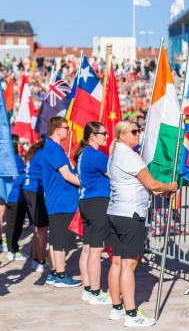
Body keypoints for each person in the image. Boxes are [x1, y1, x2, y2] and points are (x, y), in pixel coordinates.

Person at [107, 121, 177, 327]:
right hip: (130, 214)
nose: (138, 135)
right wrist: (170, 185)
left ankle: (117, 307)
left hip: (117, 211)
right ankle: (131, 313)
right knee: (129, 263)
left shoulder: (115, 153)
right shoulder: (128, 155)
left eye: (138, 130)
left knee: (118, 262)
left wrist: (161, 190)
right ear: (121, 135)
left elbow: (148, 187)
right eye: (134, 131)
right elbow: (152, 183)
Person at [75, 122, 116, 307]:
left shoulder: (84, 154)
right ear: (92, 136)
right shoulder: (97, 155)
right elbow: (114, 173)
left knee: (89, 248)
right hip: (97, 202)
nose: (106, 136)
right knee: (96, 250)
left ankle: (88, 288)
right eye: (103, 134)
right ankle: (95, 291)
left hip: (86, 202)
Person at [41, 117, 81, 287]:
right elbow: (67, 175)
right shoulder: (54, 148)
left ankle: (54, 272)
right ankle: (61, 274)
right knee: (60, 240)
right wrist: (87, 183)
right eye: (66, 127)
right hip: (61, 201)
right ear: (57, 130)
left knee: (56, 239)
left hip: (58, 200)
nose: (68, 130)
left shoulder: (51, 147)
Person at [23, 139, 49, 273]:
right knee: (42, 229)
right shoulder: (44, 154)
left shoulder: (36, 153)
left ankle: (35, 259)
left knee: (37, 227)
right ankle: (40, 261)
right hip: (36, 191)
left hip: (29, 190)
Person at [4, 135, 29, 261]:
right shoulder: (15, 159)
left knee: (15, 224)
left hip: (16, 197)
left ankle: (13, 247)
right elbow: (13, 178)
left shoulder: (13, 158)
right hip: (15, 196)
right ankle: (11, 248)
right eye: (18, 143)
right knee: (13, 224)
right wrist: (26, 176)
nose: (20, 145)